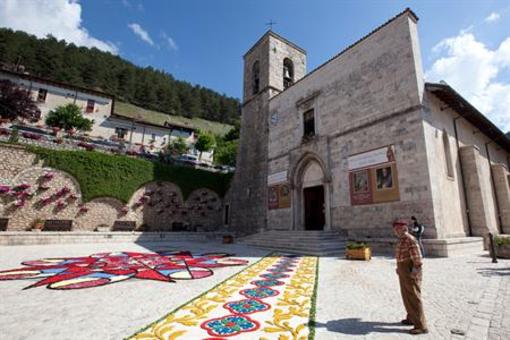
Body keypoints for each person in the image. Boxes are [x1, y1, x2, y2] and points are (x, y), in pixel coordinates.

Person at [393, 219, 428, 335]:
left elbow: (417, 258)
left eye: (398, 229)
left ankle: (421, 325)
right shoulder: (401, 240)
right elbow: (401, 255)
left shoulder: (410, 240)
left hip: (410, 270)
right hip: (403, 270)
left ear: (404, 228)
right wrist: (399, 268)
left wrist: (415, 271)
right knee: (406, 295)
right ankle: (411, 317)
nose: (396, 231)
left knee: (414, 296)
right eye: (395, 229)